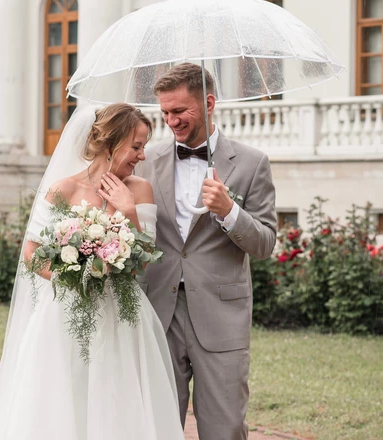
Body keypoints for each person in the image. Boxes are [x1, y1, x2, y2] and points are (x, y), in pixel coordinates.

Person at [0, 103, 185, 440]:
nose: (141, 156)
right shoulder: (64, 189)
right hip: (65, 313)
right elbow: (31, 253)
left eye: (143, 147)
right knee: (62, 396)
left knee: (117, 395)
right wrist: (75, 276)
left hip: (121, 315)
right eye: (136, 146)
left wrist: (128, 209)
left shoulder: (140, 190)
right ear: (109, 144)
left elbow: (143, 262)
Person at [137, 63, 277, 440]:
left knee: (225, 429)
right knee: (155, 427)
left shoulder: (251, 163)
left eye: (180, 111)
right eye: (165, 112)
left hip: (222, 318)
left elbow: (264, 243)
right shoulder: (146, 160)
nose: (172, 121)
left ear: (209, 102)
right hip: (158, 314)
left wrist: (229, 211)